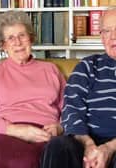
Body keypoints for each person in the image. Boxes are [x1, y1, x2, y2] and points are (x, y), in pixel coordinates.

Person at [0, 10, 66, 168]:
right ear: (3, 45)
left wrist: (60, 127)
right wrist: (17, 130)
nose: (18, 42)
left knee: (28, 161)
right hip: (5, 132)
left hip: (43, 133)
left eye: (22, 35)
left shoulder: (51, 70)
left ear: (31, 38)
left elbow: (70, 108)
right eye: (10, 38)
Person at [40, 7, 116, 168]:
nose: (113, 37)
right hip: (85, 139)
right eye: (107, 31)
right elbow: (72, 110)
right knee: (58, 147)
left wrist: (109, 148)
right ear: (101, 36)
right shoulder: (87, 66)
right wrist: (88, 145)